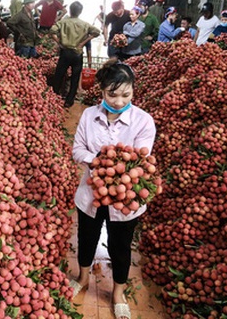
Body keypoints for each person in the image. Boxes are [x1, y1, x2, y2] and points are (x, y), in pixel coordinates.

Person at [70, 59, 157, 319]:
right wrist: (97, 160)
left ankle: (118, 292)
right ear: (102, 91)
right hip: (91, 195)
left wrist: (115, 165)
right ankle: (83, 278)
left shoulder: (143, 121)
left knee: (120, 247)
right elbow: (77, 150)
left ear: (133, 91)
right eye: (112, 94)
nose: (119, 101)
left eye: (126, 94)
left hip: (125, 200)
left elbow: (140, 161)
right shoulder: (88, 115)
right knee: (86, 239)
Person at [49, 1, 101, 107]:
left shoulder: (63, 22)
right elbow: (96, 32)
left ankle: (54, 97)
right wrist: (83, 43)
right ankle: (69, 101)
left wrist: (59, 42)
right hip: (77, 54)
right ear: (80, 12)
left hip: (65, 52)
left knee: (59, 75)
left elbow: (52, 31)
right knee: (75, 77)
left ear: (70, 10)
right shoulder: (84, 24)